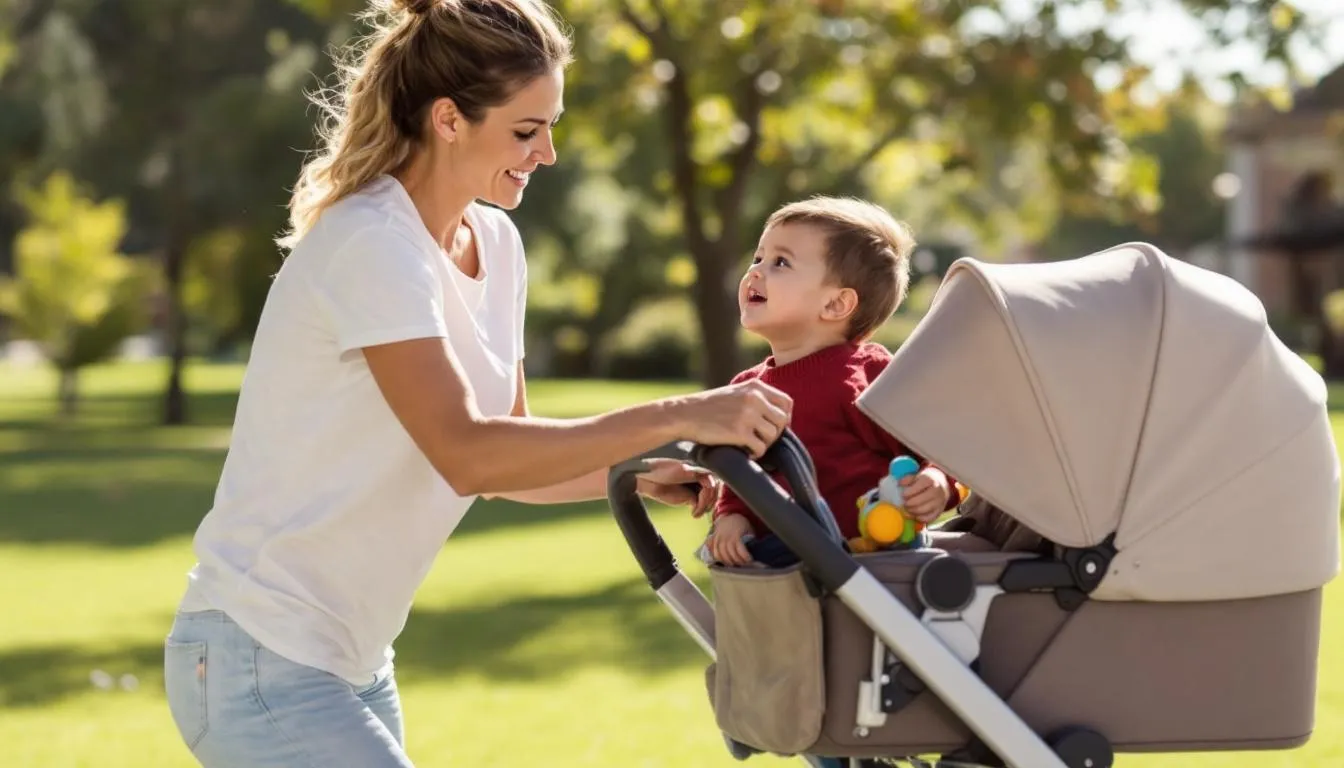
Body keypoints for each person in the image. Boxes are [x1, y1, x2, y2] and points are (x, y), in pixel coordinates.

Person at [160, 1, 793, 766]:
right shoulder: (372, 242)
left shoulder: (495, 242)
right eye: (526, 131)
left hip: (351, 663)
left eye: (551, 126)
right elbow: (471, 454)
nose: (548, 153)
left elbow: (510, 461)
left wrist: (637, 473)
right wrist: (682, 413)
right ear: (449, 119)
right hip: (260, 653)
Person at [698, 196, 961, 569]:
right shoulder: (746, 388)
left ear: (836, 305)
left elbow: (938, 444)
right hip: (784, 566)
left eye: (780, 262)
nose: (755, 272)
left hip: (870, 565)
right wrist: (731, 516)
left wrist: (937, 481)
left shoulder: (863, 374)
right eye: (758, 258)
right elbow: (743, 474)